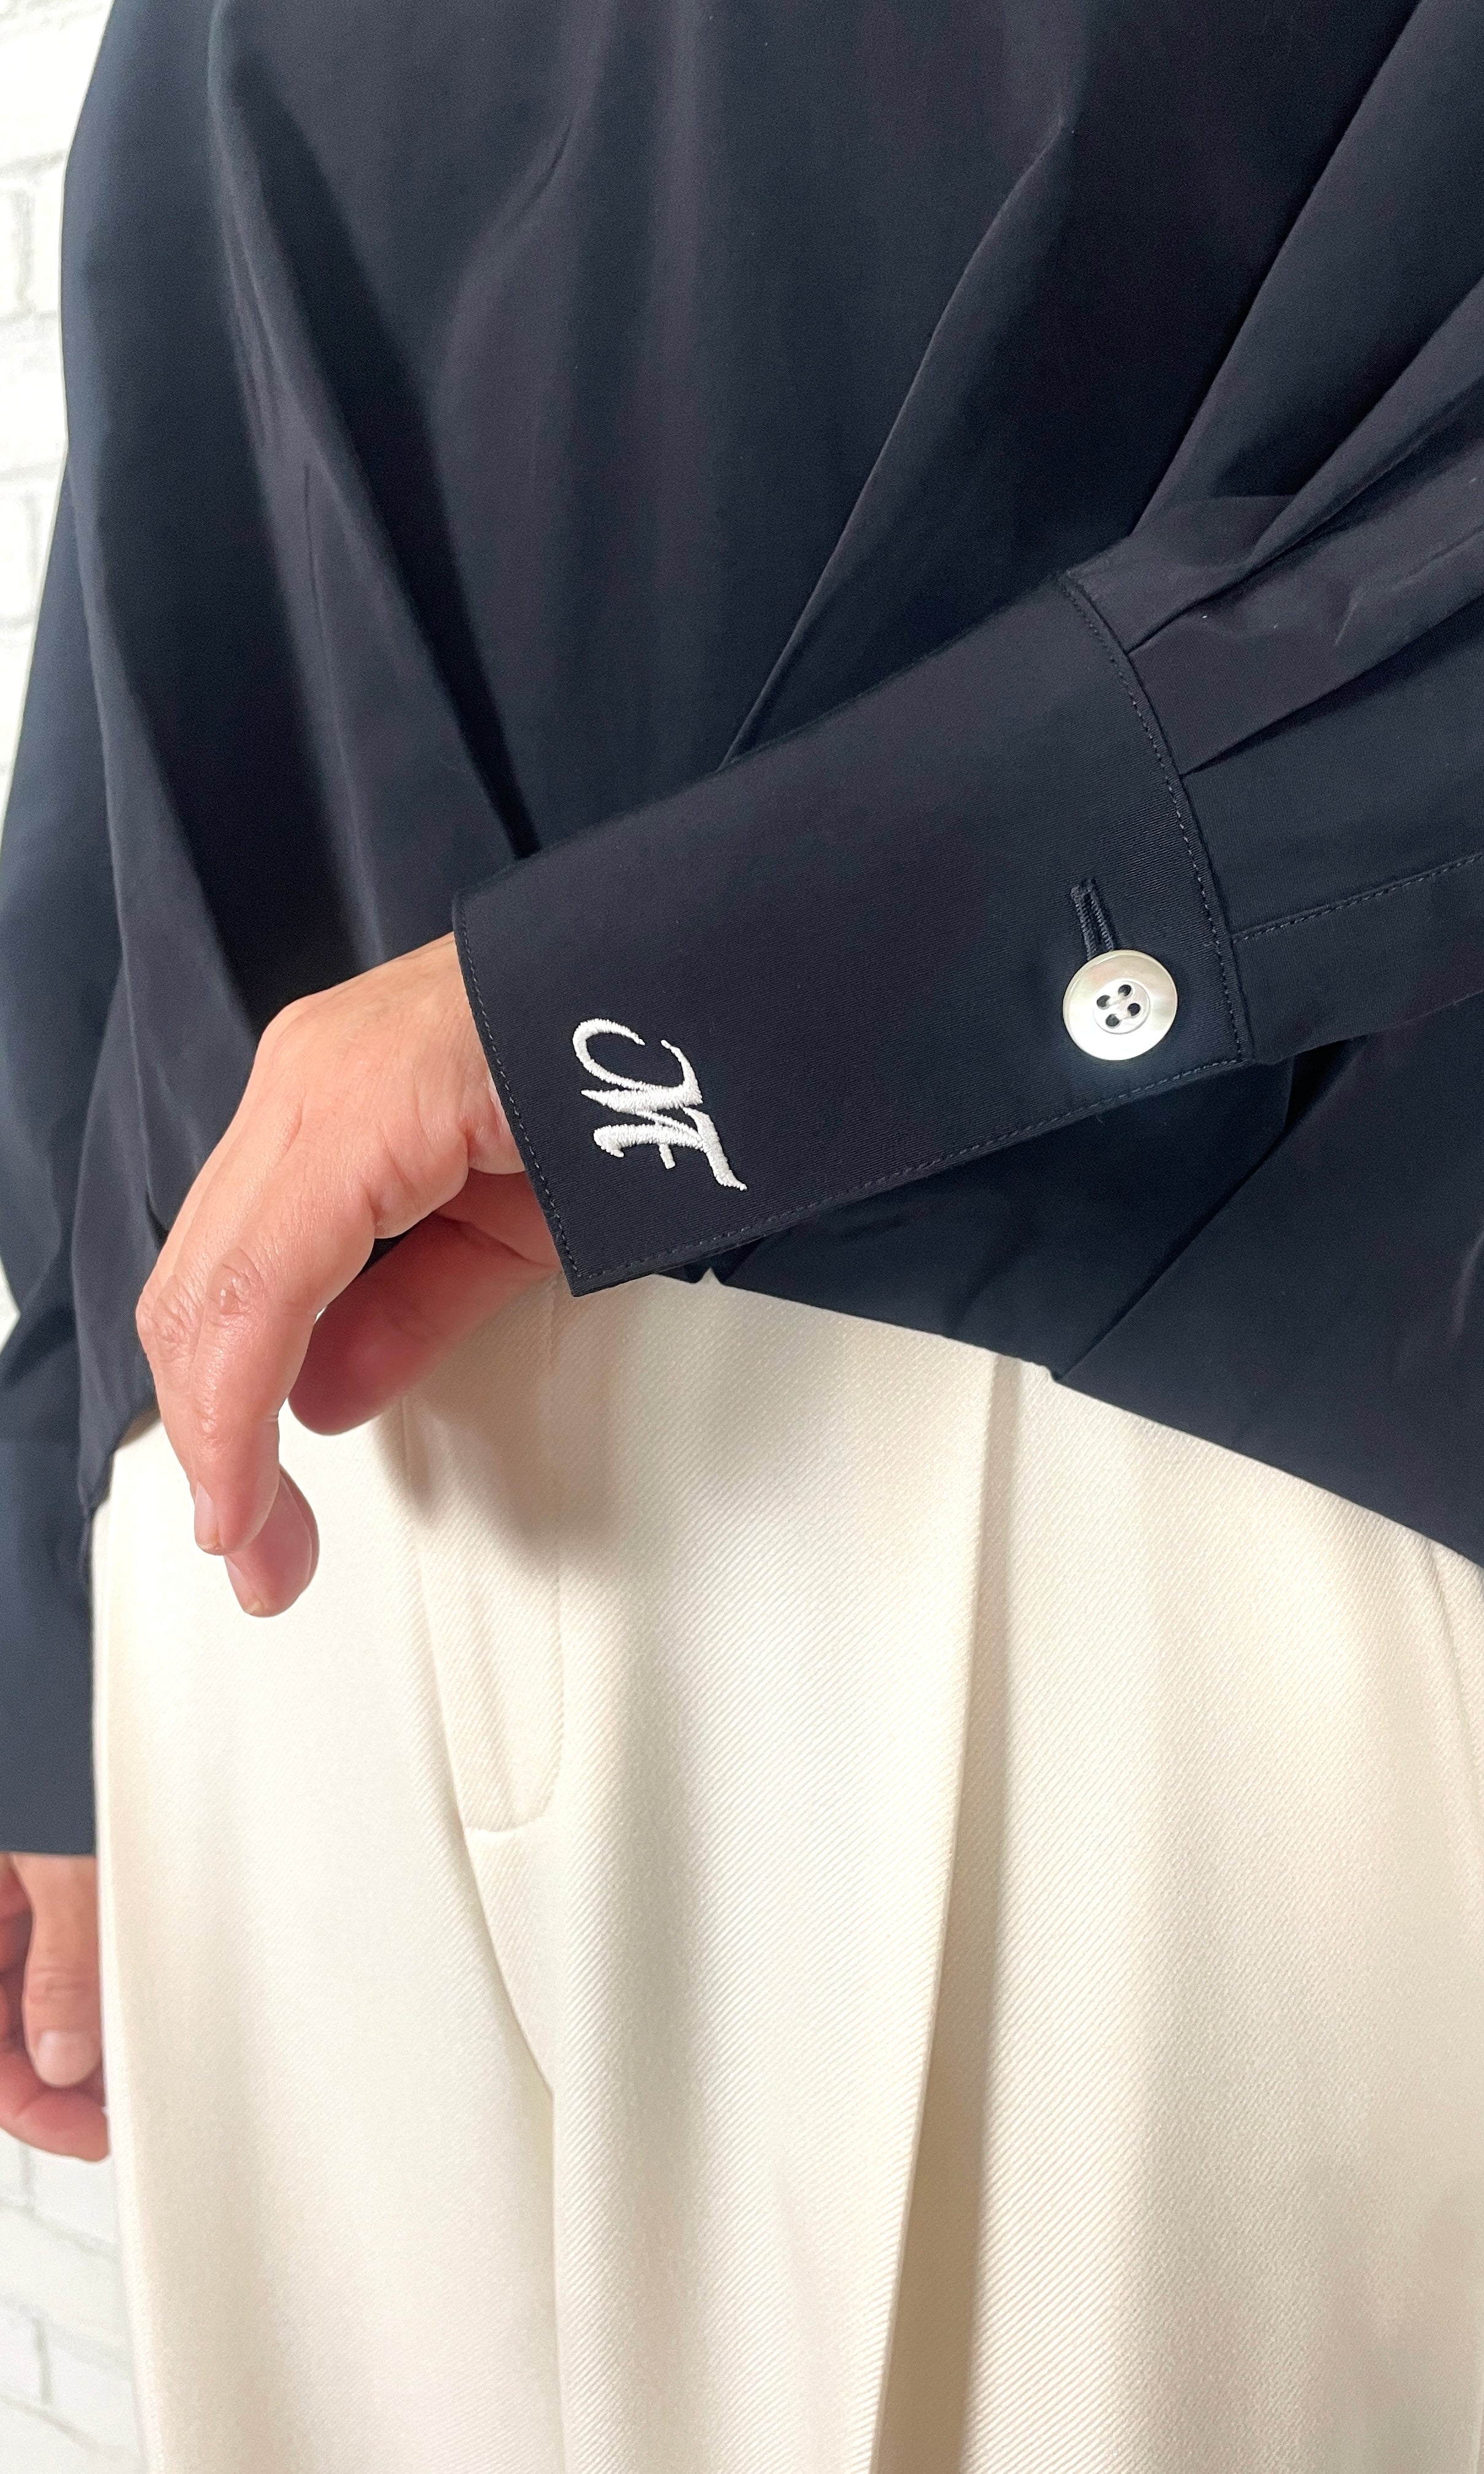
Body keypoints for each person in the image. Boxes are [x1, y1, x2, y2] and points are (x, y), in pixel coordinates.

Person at [4, 0, 1484, 2463]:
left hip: (1127, 1410)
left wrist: (684, 995)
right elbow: (168, 454)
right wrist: (56, 1553)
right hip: (275, 1473)